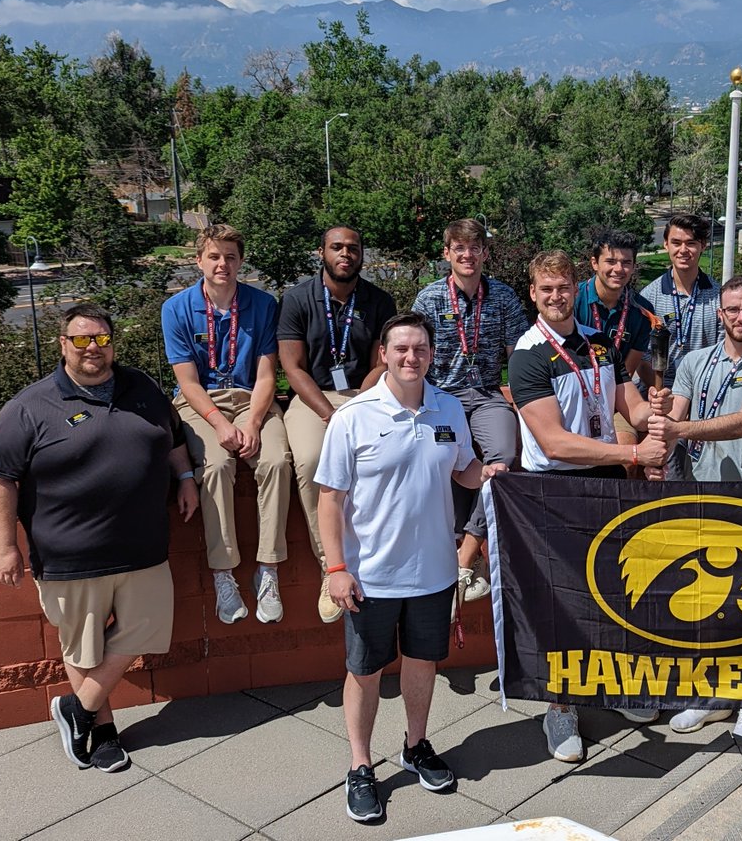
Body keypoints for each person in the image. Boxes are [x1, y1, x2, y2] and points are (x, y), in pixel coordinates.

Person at [0, 304, 198, 773]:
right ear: (63, 344)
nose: (93, 348)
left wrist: (184, 478)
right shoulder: (30, 406)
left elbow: (174, 436)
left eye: (101, 338)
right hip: (70, 553)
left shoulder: (142, 387)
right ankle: (102, 732)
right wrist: (4, 546)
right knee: (84, 647)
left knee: (148, 625)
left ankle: (75, 708)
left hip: (144, 547)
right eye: (81, 339)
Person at [316, 311, 507, 823]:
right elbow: (329, 499)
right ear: (383, 354)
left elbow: (462, 468)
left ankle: (416, 745)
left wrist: (486, 472)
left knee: (423, 664)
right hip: (370, 575)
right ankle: (360, 766)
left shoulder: (448, 407)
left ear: (431, 354)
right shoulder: (353, 417)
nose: (411, 357)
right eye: (401, 348)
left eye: (420, 348)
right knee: (365, 672)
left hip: (435, 572)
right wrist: (336, 568)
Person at [509, 250, 669, 763]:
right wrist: (635, 454)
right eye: (546, 289)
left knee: (613, 590)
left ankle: (615, 683)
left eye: (563, 287)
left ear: (574, 288)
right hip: (554, 489)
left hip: (604, 479)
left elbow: (630, 406)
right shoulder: (528, 354)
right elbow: (554, 442)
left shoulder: (600, 342)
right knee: (561, 602)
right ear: (533, 294)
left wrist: (656, 416)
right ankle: (559, 708)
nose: (556, 297)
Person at [645, 275, 742, 742]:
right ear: (720, 313)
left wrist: (679, 430)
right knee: (707, 603)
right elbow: (675, 418)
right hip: (699, 496)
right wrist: (660, 425)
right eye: (733, 309)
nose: (741, 317)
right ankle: (711, 696)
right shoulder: (694, 360)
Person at [161, 224, 293, 625]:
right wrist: (219, 424)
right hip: (202, 404)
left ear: (241, 261)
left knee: (276, 462)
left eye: (231, 257)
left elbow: (267, 374)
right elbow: (187, 382)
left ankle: (268, 569)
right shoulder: (177, 308)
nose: (223, 264)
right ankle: (223, 573)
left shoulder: (262, 304)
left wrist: (253, 422)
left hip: (253, 400)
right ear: (199, 260)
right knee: (217, 466)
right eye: (214, 256)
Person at [279, 226, 396, 623]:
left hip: (365, 396)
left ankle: (374, 558)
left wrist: (357, 405)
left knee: (383, 460)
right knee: (312, 460)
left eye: (353, 248)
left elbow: (382, 363)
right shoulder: (297, 299)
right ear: (321, 253)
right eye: (337, 247)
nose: (345, 254)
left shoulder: (379, 301)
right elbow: (293, 368)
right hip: (312, 400)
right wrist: (330, 415)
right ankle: (331, 566)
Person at [412, 219, 528, 606]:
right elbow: (416, 354)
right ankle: (453, 554)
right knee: (445, 455)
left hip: (488, 394)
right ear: (446, 253)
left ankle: (469, 549)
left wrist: (527, 405)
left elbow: (518, 358)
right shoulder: (430, 298)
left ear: (485, 253)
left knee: (504, 455)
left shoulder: (503, 297)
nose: (467, 255)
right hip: (442, 398)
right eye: (459, 248)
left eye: (474, 248)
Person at [638, 213, 721, 478]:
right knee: (665, 474)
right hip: (661, 397)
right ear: (666, 244)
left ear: (703, 246)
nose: (683, 250)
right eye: (676, 242)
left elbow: (722, 351)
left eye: (691, 243)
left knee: (699, 473)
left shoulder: (718, 296)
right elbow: (642, 358)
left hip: (703, 396)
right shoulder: (648, 297)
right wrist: (664, 398)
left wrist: (693, 395)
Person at [574, 227, 659, 459]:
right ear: (594, 263)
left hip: (616, 396)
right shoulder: (573, 300)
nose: (618, 269)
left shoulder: (642, 311)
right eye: (610, 261)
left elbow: (626, 372)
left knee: (627, 455)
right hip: (574, 394)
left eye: (626, 262)